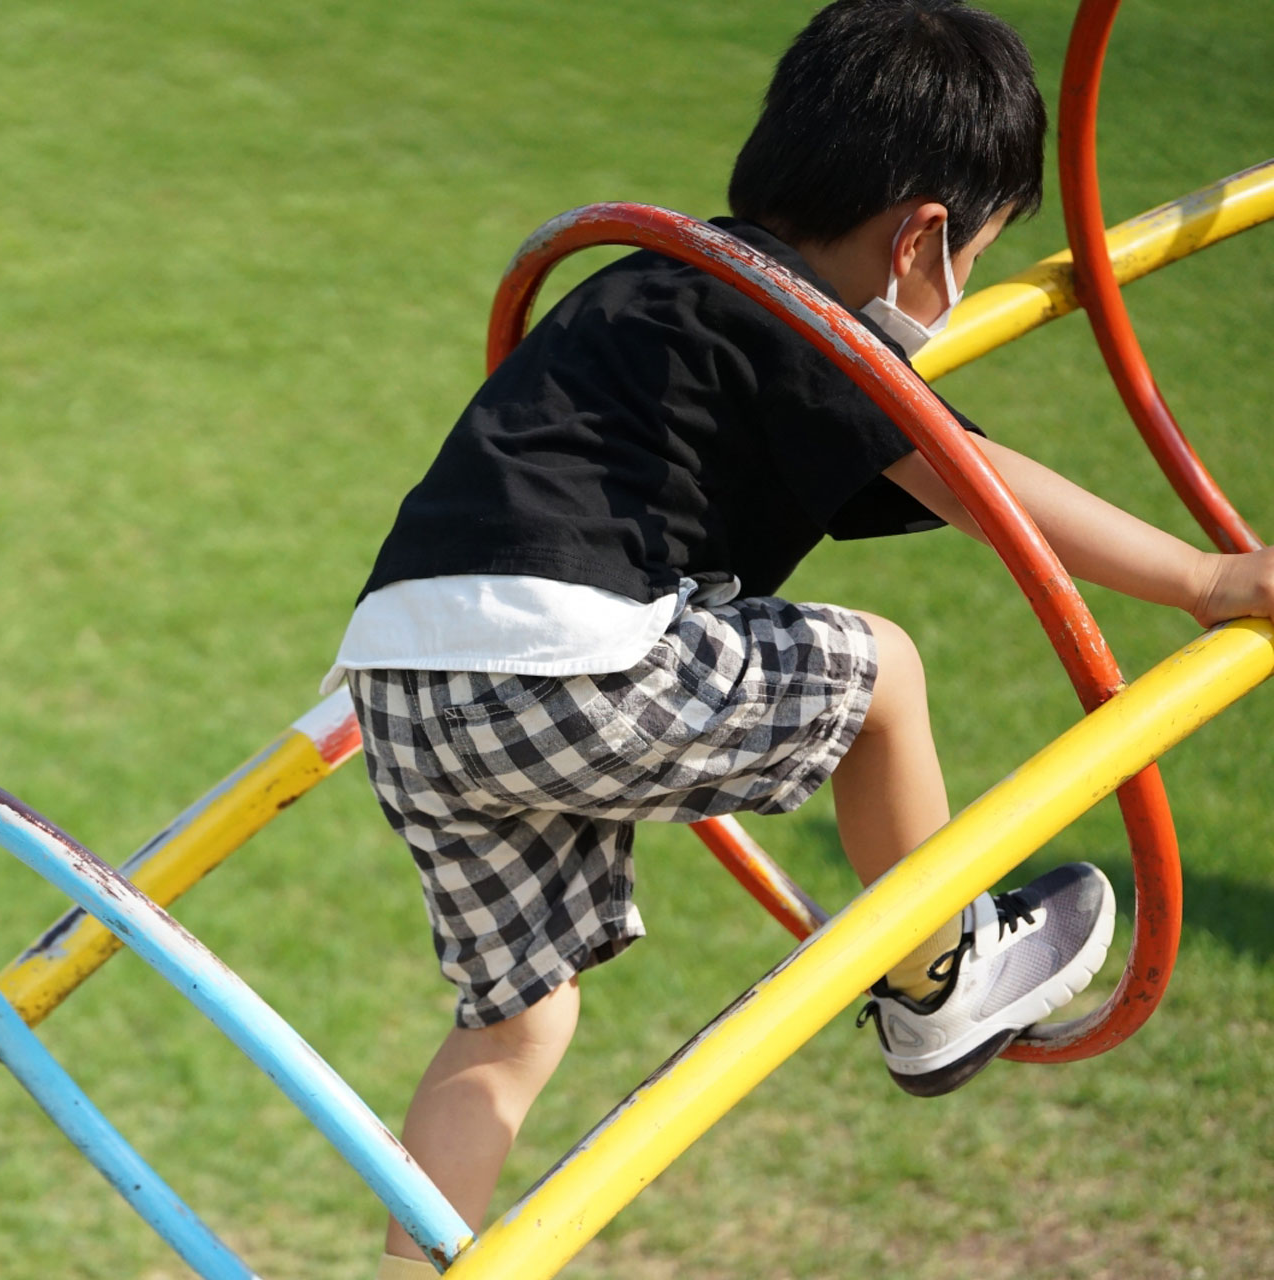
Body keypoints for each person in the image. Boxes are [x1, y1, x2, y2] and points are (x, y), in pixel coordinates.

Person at [325, 2, 1274, 1276]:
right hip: (557, 664)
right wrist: (1208, 575)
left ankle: (416, 1268)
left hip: (399, 682)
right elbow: (974, 481)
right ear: (924, 238)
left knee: (518, 1015)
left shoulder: (651, 283)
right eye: (984, 251)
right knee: (880, 665)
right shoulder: (796, 322)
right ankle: (937, 979)